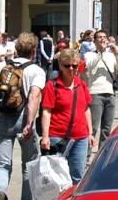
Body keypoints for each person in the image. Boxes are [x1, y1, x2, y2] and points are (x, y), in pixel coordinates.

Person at [0, 31, 46, 200]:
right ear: (34, 50)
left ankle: (1, 192)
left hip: (2, 117)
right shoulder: (36, 71)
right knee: (29, 164)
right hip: (23, 118)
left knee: (2, 163)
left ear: (16, 48)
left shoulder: (0, 67)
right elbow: (34, 98)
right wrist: (29, 123)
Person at [40, 48, 93, 184]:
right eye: (67, 65)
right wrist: (45, 137)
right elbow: (46, 112)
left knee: (77, 176)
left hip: (80, 137)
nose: (71, 69)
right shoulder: (52, 86)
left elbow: (86, 109)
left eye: (74, 65)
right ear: (61, 66)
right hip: (57, 137)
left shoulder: (82, 85)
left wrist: (90, 133)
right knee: (56, 178)